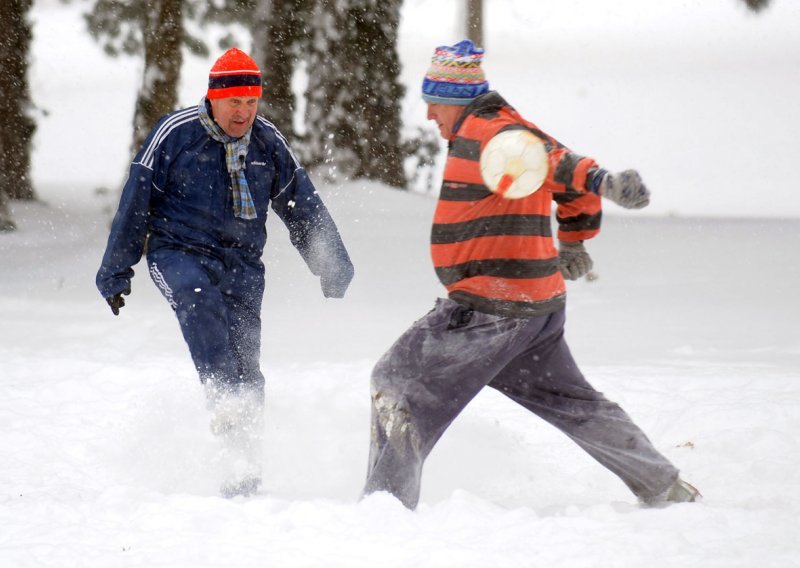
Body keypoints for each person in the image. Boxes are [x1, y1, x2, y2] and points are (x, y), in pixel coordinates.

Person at [362, 39, 699, 509]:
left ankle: (384, 509)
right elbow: (562, 176)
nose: (429, 117)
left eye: (433, 104)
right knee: (574, 403)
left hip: (490, 312)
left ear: (454, 101)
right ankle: (664, 486)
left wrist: (605, 183)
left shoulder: (490, 134)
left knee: (396, 380)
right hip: (534, 312)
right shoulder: (511, 132)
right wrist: (575, 239)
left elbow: (566, 166)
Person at [96, 48, 354, 497]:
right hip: (177, 251)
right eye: (235, 102)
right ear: (213, 98)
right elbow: (135, 202)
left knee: (246, 368)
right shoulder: (175, 135)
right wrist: (117, 270)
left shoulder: (267, 142)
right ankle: (223, 399)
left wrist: (332, 265)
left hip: (242, 266)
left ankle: (244, 470)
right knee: (198, 299)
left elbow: (302, 204)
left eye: (252, 102)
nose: (244, 112)